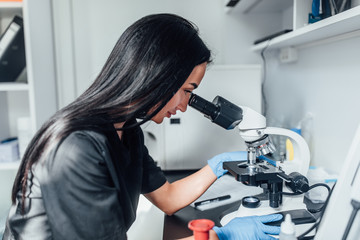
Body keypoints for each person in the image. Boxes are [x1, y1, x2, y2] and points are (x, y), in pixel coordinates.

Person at [2, 13, 282, 240]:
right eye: (187, 90)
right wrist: (220, 236)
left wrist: (218, 165)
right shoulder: (76, 148)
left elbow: (168, 198)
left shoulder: (128, 131)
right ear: (156, 76)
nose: (184, 105)